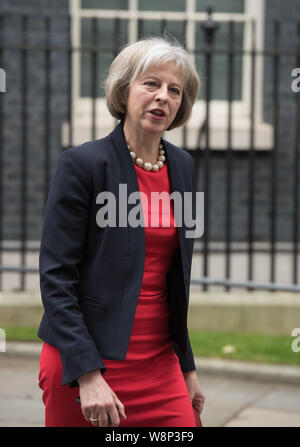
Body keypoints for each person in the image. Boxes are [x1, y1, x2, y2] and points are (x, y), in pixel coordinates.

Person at [38, 34, 205, 427]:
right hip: (85, 362)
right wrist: (88, 375)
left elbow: (175, 281)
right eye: (151, 83)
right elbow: (56, 278)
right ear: (124, 89)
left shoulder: (183, 168)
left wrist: (188, 366)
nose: (163, 96)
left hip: (160, 363)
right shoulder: (82, 165)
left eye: (174, 90)